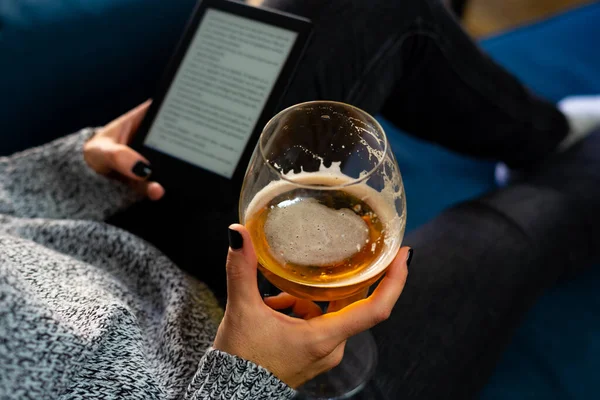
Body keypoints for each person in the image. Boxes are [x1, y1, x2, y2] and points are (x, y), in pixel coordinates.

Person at [1, 1, 600, 400]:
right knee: (510, 230)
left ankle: (540, 134)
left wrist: (71, 167)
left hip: (129, 230)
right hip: (245, 380)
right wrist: (248, 380)